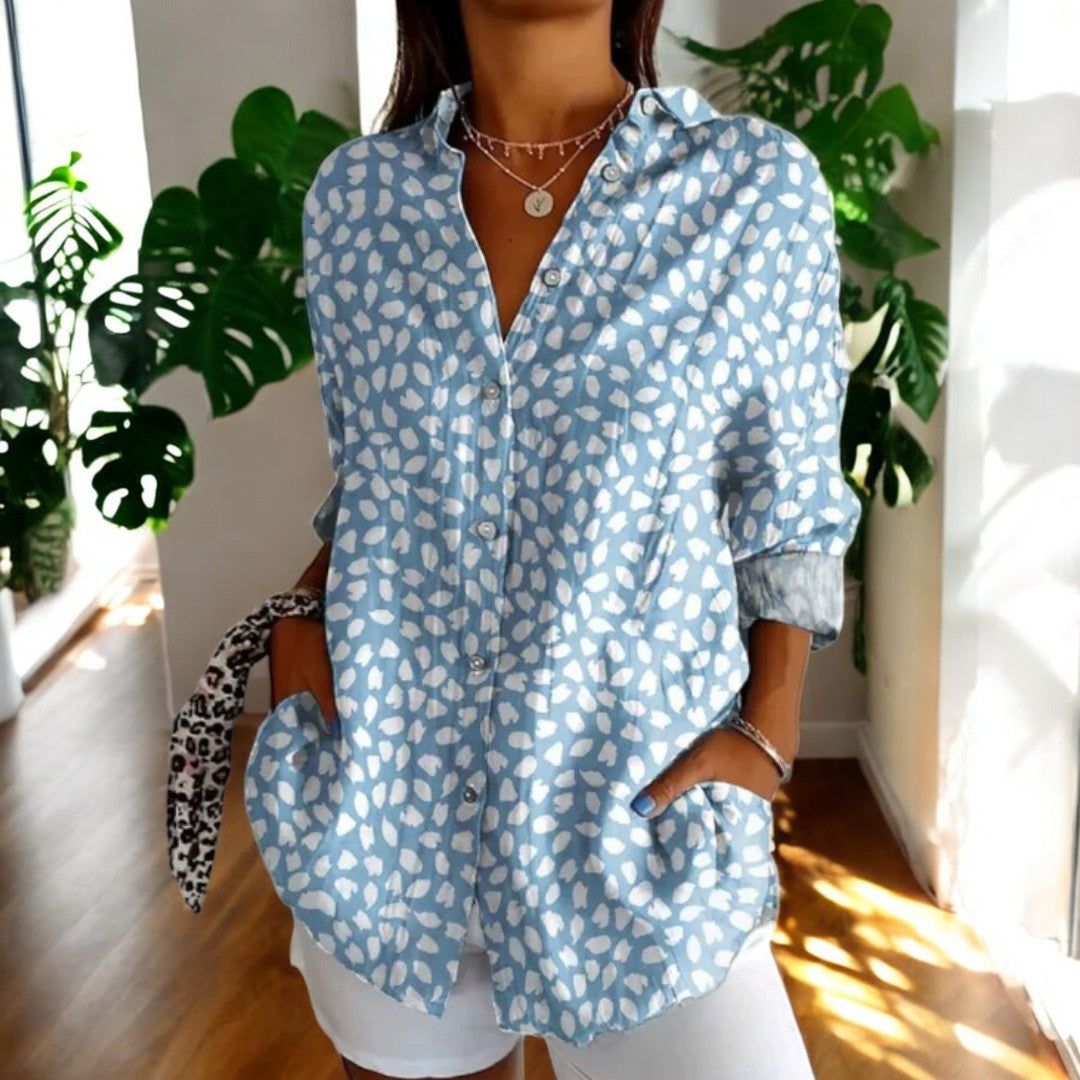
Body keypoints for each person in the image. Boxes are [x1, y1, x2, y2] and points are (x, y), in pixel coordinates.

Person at [261, 1, 863, 1077]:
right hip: (387, 821)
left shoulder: (750, 190)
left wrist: (768, 736)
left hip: (637, 824)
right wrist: (301, 619)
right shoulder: (356, 203)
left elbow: (792, 498)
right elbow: (376, 480)